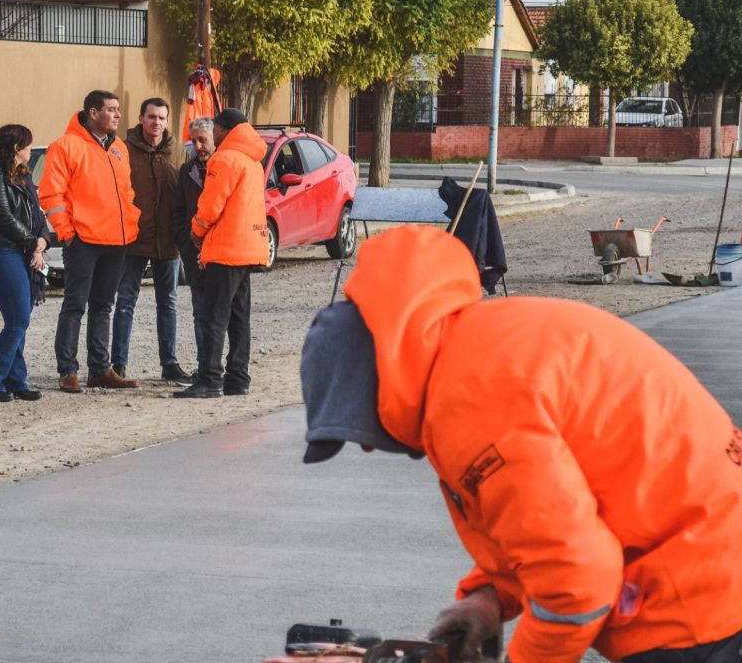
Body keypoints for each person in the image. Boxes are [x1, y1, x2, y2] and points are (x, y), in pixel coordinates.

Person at [301, 225, 742, 663]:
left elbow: (576, 582)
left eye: (355, 429)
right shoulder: (479, 346)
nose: (367, 448)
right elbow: (544, 528)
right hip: (713, 559)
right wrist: (488, 599)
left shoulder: (468, 399)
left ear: (372, 387)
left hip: (699, 602)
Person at [39, 90, 141, 394]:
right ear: (93, 113)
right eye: (111, 110)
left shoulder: (119, 148)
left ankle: (100, 369)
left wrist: (131, 221)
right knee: (75, 305)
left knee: (103, 306)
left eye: (118, 110)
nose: (117, 115)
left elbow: (127, 192)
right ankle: (67, 370)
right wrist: (67, 232)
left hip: (116, 240)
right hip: (82, 240)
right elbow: (50, 194)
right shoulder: (65, 146)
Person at [173, 108, 267, 399]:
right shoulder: (252, 160)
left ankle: (210, 379)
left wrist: (195, 233)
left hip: (225, 247)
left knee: (215, 316)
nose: (211, 136)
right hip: (249, 247)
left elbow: (210, 206)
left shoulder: (224, 159)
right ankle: (238, 378)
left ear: (224, 129)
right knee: (239, 317)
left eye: (213, 130)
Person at [110, 98, 191, 384]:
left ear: (167, 121)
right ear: (141, 118)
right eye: (152, 117)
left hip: (168, 242)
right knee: (125, 302)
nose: (156, 122)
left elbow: (186, 195)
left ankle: (169, 363)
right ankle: (118, 364)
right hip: (133, 240)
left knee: (168, 303)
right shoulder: (122, 149)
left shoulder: (178, 152)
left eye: (161, 118)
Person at [0, 124, 49, 403]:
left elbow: (38, 213)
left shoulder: (23, 176)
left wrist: (41, 240)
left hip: (26, 253)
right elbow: (3, 217)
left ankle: (16, 379)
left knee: (20, 321)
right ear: (17, 148)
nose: (32, 149)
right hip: (4, 253)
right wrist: (33, 242)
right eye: (28, 145)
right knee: (18, 321)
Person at [171, 117, 216, 381]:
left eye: (203, 140)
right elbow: (178, 210)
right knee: (200, 311)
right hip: (193, 254)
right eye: (194, 141)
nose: (198, 146)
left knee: (222, 314)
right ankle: (204, 366)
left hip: (222, 253)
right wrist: (185, 242)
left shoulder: (225, 168)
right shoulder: (186, 172)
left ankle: (223, 367)